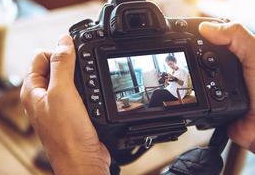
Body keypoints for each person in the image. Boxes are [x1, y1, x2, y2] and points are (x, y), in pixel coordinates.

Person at [20, 22, 255, 174]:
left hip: (181, 95)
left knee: (155, 97)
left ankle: (144, 107)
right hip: (170, 93)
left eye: (171, 62)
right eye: (170, 63)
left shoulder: (180, 71)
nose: (170, 65)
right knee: (154, 94)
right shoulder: (170, 72)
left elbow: (185, 85)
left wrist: (79, 165)